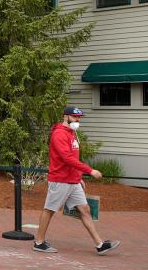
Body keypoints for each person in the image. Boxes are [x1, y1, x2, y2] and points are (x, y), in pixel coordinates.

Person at [33, 106, 120, 255]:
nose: (78, 120)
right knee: (50, 210)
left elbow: (74, 158)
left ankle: (100, 245)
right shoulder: (59, 134)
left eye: (79, 118)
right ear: (66, 116)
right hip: (60, 180)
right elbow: (67, 158)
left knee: (85, 210)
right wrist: (90, 171)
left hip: (73, 181)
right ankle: (39, 242)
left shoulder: (72, 133)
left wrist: (78, 177)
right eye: (75, 117)